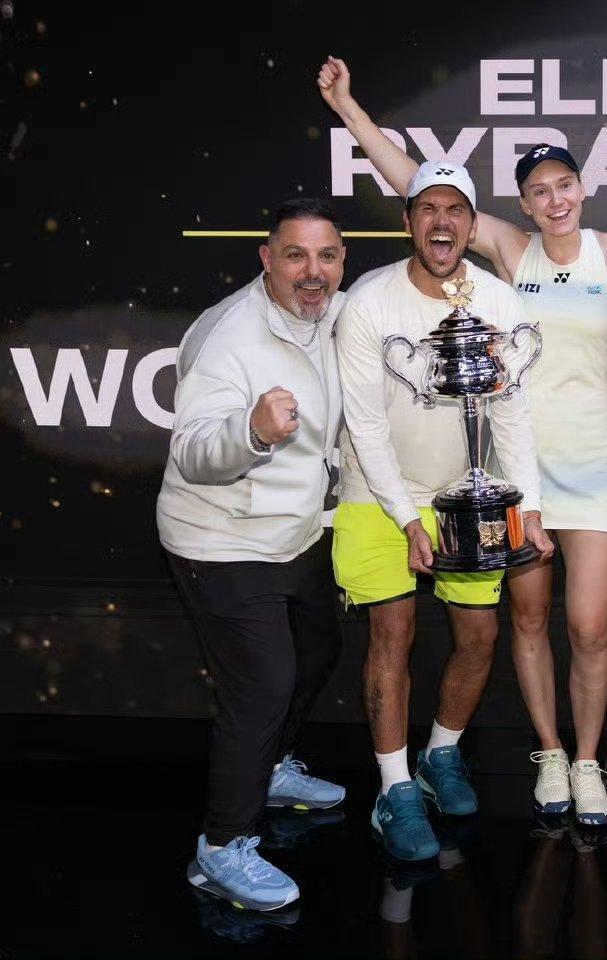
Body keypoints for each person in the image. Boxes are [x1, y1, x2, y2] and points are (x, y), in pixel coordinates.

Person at [319, 57, 607, 824]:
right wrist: (349, 110)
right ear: (522, 204)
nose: (554, 199)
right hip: (446, 482)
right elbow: (420, 185)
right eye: (539, 190)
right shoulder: (467, 266)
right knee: (454, 627)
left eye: (565, 185)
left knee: (538, 632)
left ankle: (521, 758)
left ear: (581, 189)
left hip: (548, 477)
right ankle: (469, 773)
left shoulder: (595, 261)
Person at [334, 160, 552, 860]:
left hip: (466, 494)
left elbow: (511, 413)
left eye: (455, 210)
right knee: (392, 634)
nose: (441, 222)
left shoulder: (498, 301)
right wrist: (405, 518)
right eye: (428, 208)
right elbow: (366, 424)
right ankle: (395, 790)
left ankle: (441, 754)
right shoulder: (369, 303)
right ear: (408, 222)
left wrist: (530, 509)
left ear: (471, 224)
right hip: (377, 494)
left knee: (479, 637)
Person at [158, 198, 349, 911]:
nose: (312, 271)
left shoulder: (333, 311)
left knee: (320, 650)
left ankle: (267, 767)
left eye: (326, 256)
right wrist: (253, 432)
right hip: (221, 538)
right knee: (264, 684)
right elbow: (192, 450)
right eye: (295, 255)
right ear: (267, 259)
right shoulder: (228, 334)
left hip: (293, 533)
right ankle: (220, 848)